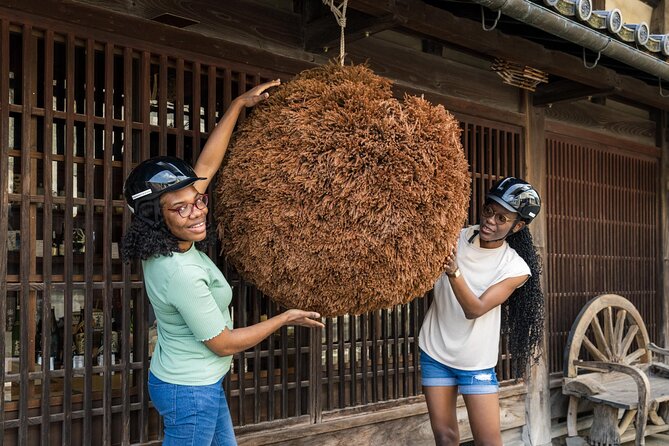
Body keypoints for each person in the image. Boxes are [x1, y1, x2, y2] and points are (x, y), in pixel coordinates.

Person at [121, 79, 324, 446]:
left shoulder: (167, 246)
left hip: (194, 382)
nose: (197, 211)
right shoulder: (180, 271)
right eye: (181, 208)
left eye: (197, 200)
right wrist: (285, 317)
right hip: (190, 392)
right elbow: (224, 343)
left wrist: (237, 105)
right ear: (154, 216)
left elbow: (207, 167)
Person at [419, 177, 545, 446]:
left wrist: (453, 270)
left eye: (502, 218)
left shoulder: (515, 268)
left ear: (517, 226)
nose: (491, 220)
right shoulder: (454, 238)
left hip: (476, 363)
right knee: (445, 437)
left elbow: (474, 310)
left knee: (488, 442)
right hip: (435, 351)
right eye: (489, 210)